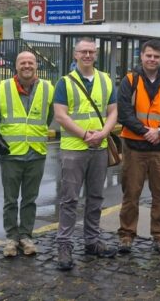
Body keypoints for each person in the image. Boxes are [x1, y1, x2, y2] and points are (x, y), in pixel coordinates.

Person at [53, 37, 119, 271]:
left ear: (96, 54)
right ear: (75, 55)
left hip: (99, 148)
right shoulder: (65, 82)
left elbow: (113, 112)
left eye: (91, 52)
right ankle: (64, 245)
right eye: (83, 52)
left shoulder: (105, 80)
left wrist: (103, 133)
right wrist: (84, 134)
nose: (88, 55)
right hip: (74, 148)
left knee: (95, 198)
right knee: (69, 199)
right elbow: (60, 115)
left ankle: (92, 241)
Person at [117, 39, 160, 254]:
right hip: (135, 149)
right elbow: (124, 112)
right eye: (149, 55)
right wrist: (146, 132)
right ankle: (126, 236)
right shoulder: (130, 80)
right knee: (130, 195)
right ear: (142, 56)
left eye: (156, 56)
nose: (152, 59)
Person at [0, 51, 54, 258]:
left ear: (36, 66)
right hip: (11, 154)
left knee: (30, 199)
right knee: (10, 199)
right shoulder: (3, 88)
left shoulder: (47, 88)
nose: (27, 66)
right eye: (22, 63)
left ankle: (26, 236)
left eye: (31, 62)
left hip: (36, 153)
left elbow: (49, 115)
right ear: (15, 67)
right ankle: (11, 237)